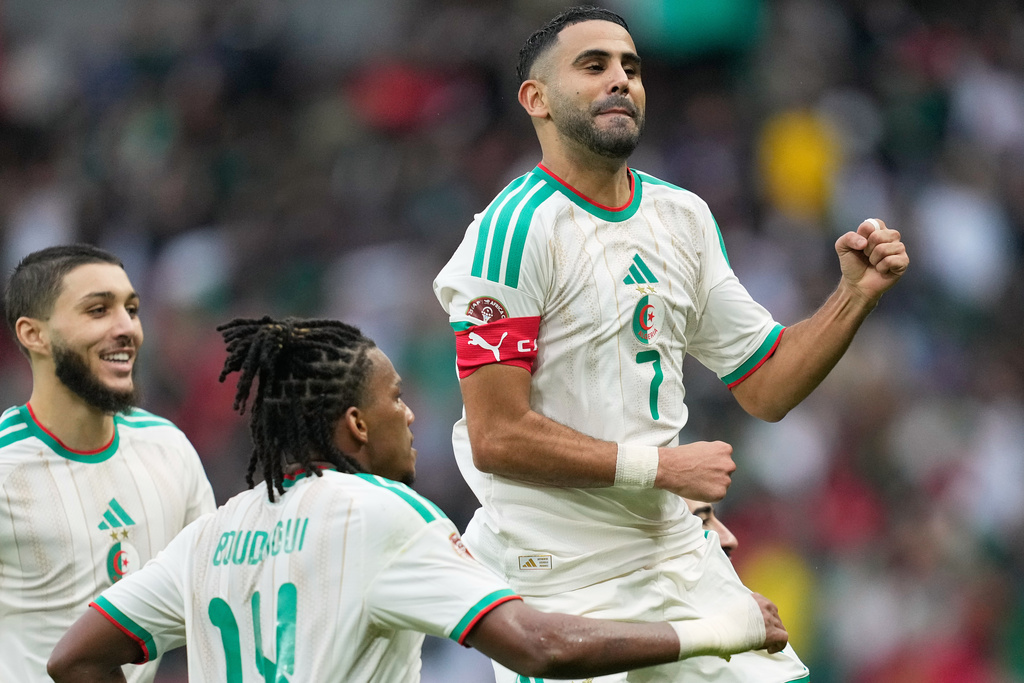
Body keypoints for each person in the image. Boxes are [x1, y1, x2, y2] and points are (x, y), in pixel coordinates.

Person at [433, 5, 908, 682]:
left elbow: (767, 383)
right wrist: (662, 470)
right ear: (536, 99)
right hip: (559, 569)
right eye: (593, 66)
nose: (620, 80)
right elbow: (497, 434)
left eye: (630, 67)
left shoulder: (681, 216)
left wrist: (854, 296)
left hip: (673, 550)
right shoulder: (510, 235)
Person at [48, 316, 788, 683]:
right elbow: (539, 647)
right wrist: (710, 626)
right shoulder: (379, 513)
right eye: (396, 397)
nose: (412, 414)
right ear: (356, 423)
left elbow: (75, 656)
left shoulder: (211, 534)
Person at [0, 244, 216, 683]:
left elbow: (216, 601)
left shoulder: (169, 449)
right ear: (33, 334)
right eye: (98, 310)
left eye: (132, 309)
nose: (128, 329)